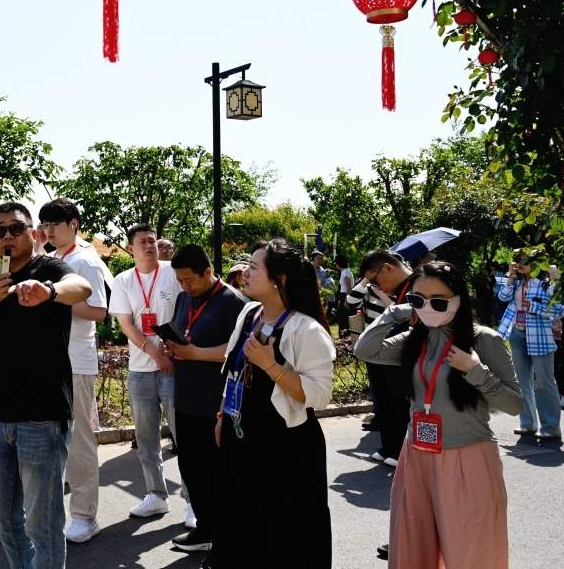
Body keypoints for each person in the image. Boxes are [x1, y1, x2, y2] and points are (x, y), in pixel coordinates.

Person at [355, 261, 523, 569]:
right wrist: (393, 313)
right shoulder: (414, 340)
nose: (428, 308)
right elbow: (365, 350)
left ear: (459, 299)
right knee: (413, 548)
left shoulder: (484, 339)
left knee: (469, 554)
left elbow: (514, 404)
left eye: (439, 301)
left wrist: (475, 371)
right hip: (416, 457)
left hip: (468, 460)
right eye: (418, 300)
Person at [0, 201, 92, 569]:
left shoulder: (48, 268)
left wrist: (47, 291)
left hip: (43, 417)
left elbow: (80, 288)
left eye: (16, 228)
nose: (8, 236)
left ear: (33, 233)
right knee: (3, 517)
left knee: (42, 523)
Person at [213, 239, 335, 569]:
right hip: (242, 437)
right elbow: (233, 368)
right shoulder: (249, 313)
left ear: (279, 279)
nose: (244, 272)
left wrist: (271, 365)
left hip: (285, 448)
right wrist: (223, 413)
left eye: (254, 267)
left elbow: (320, 395)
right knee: (244, 526)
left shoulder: (305, 329)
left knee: (284, 534)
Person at [163, 244, 247, 554]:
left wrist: (195, 353)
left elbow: (240, 350)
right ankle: (204, 528)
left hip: (217, 402)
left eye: (189, 279)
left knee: (218, 472)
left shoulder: (233, 302)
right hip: (186, 396)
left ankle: (225, 536)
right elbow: (184, 330)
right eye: (179, 280)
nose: (184, 286)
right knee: (192, 468)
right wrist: (174, 347)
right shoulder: (184, 298)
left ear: (208, 272)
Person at [38, 198, 111, 544]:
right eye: (45, 224)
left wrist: (53, 296)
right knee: (48, 438)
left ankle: (85, 515)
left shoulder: (86, 260)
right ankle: (52, 511)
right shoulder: (51, 258)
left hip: (75, 361)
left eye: (54, 224)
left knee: (79, 439)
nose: (49, 230)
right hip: (48, 358)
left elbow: (98, 310)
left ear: (74, 224)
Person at [107, 223, 184, 520]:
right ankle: (156, 495)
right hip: (140, 370)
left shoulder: (173, 272)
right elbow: (126, 324)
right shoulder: (123, 280)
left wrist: (170, 349)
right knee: (147, 440)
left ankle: (193, 501)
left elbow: (186, 311)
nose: (150, 246)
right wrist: (154, 352)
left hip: (174, 367)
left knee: (184, 435)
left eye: (152, 241)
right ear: (131, 248)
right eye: (143, 242)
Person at [351, 250, 412, 466]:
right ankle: (391, 448)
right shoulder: (405, 287)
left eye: (376, 281)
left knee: (400, 405)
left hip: (407, 359)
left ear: (387, 268)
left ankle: (401, 452)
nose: (377, 287)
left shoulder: (420, 284)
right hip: (389, 354)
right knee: (386, 401)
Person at [496, 254, 564, 441]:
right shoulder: (516, 282)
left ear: (536, 264)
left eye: (524, 261)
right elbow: (502, 297)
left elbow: (560, 309)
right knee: (522, 381)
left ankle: (551, 427)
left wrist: (534, 307)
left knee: (544, 381)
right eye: (517, 260)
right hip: (517, 333)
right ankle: (527, 423)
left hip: (539, 335)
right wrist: (510, 278)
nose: (519, 264)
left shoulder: (547, 283)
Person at [335, 253, 353, 337]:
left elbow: (348, 288)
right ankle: (343, 336)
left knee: (344, 318)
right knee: (342, 318)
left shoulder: (345, 273)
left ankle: (344, 336)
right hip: (343, 296)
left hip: (345, 296)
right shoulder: (345, 271)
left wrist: (347, 301)